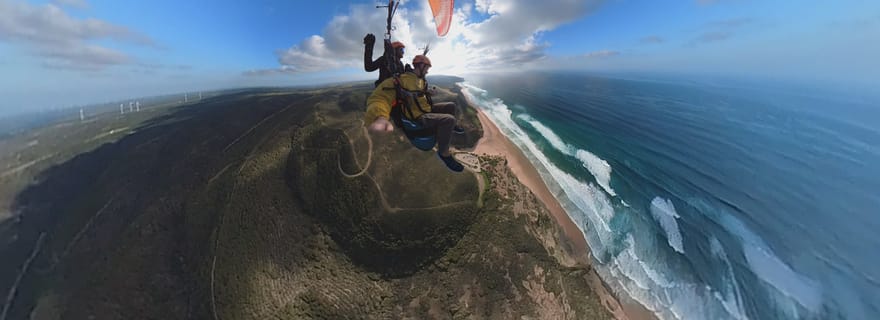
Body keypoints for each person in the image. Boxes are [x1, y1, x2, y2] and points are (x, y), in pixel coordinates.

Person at [364, 55, 464, 172]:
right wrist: (380, 116)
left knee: (451, 106)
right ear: (421, 66)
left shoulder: (420, 80)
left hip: (426, 109)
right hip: (417, 116)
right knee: (449, 120)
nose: (427, 71)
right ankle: (444, 153)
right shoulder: (400, 80)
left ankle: (451, 128)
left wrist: (428, 92)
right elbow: (379, 97)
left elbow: (418, 92)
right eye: (427, 68)